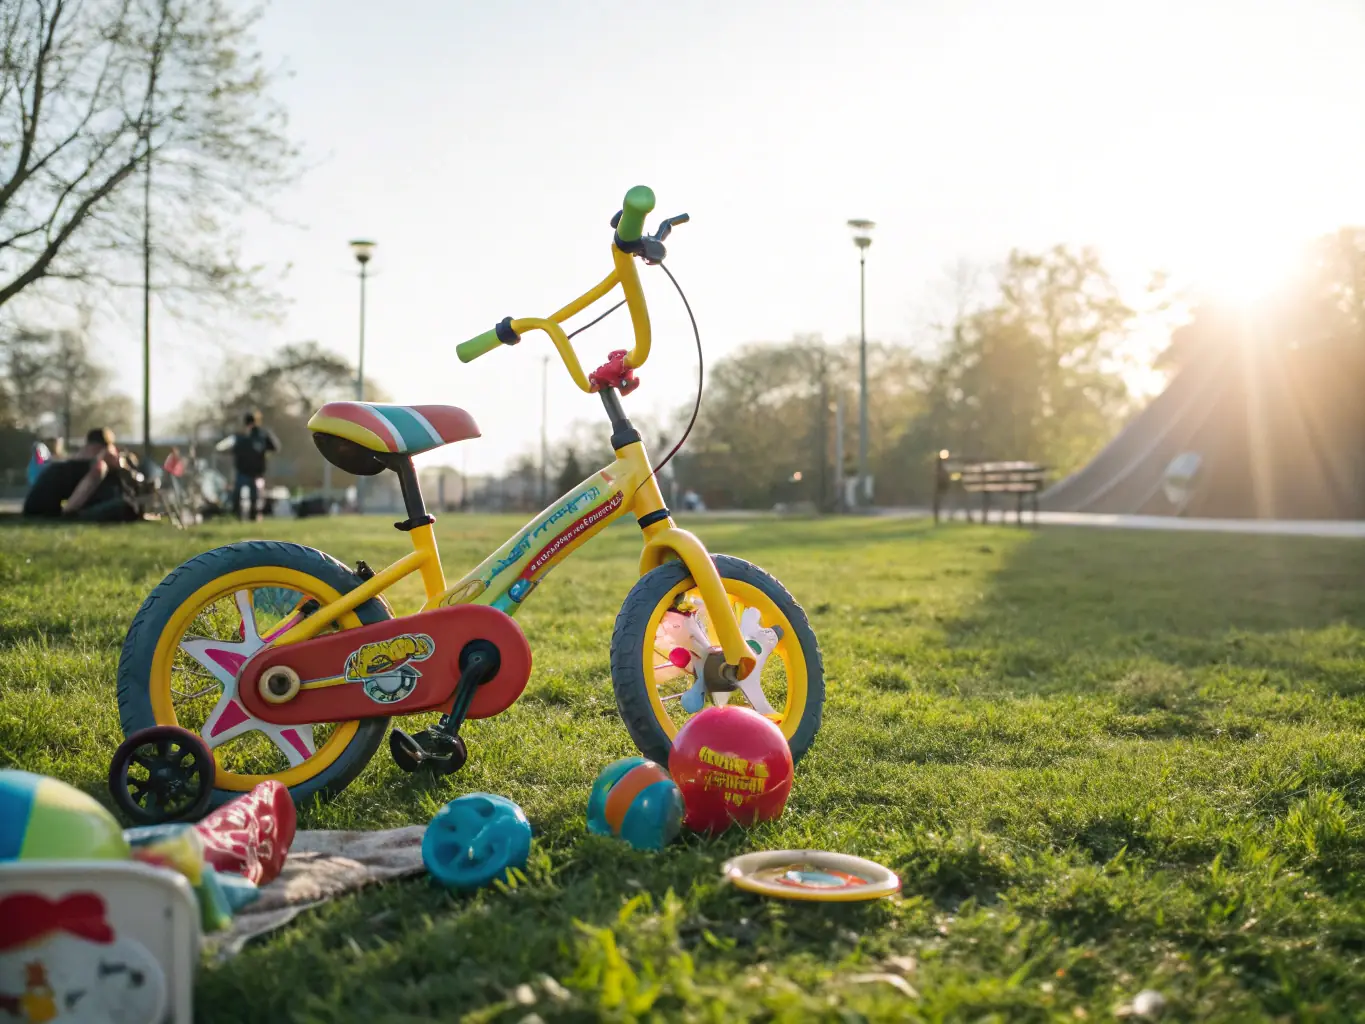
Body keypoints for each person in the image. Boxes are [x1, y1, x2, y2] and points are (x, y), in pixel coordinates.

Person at [22, 428, 136, 520]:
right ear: (104, 448)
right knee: (123, 507)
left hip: (34, 507)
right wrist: (68, 512)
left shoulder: (75, 461)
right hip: (41, 510)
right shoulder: (98, 464)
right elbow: (97, 472)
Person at [223, 411, 280, 521]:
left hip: (255, 472)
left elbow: (274, 447)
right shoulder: (242, 436)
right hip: (246, 471)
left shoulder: (260, 435)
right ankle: (238, 517)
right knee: (240, 496)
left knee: (254, 497)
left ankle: (252, 517)